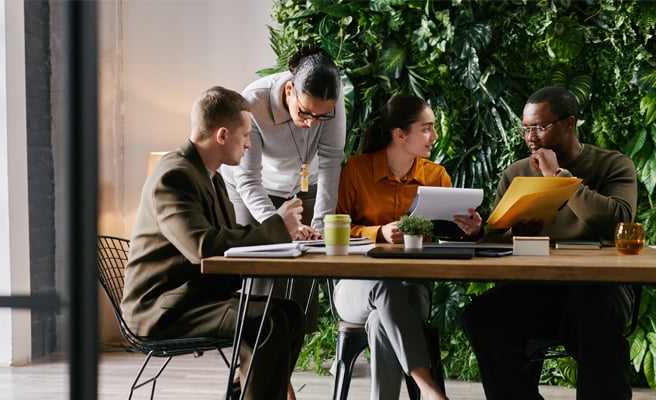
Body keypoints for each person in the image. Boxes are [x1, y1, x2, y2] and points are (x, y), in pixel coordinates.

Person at [121, 86, 306, 400]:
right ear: (222, 135)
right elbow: (203, 245)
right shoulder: (174, 176)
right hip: (163, 308)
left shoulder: (212, 175)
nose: (249, 144)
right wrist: (276, 227)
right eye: (245, 134)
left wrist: (287, 237)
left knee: (289, 313)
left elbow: (228, 236)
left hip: (195, 297)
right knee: (268, 323)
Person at [461, 86, 638, 400]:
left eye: (540, 127)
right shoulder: (515, 173)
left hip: (601, 287)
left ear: (569, 124)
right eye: (526, 128)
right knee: (480, 317)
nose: (531, 137)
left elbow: (619, 224)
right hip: (537, 288)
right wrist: (485, 234)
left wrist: (558, 178)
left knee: (592, 312)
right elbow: (498, 239)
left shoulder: (612, 165)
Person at [334, 94, 480, 400]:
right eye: (426, 128)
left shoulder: (436, 176)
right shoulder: (357, 170)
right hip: (355, 286)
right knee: (385, 287)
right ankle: (429, 389)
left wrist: (469, 229)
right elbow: (335, 231)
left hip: (414, 288)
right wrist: (378, 232)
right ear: (400, 134)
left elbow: (451, 235)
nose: (435, 136)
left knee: (380, 322)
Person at [221, 44, 346, 332]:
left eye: (321, 117)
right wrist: (278, 224)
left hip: (305, 184)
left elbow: (330, 164)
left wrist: (319, 229)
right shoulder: (252, 103)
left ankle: (284, 363)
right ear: (290, 90)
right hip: (254, 187)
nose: (312, 122)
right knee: (262, 270)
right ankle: (251, 359)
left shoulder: (331, 103)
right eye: (305, 112)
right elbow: (248, 179)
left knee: (304, 272)